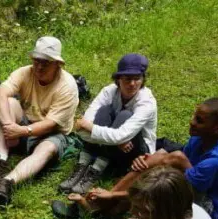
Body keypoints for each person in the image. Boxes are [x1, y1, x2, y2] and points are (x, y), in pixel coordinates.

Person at [54, 97, 218, 219]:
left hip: (208, 211)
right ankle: (105, 210)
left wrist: (116, 194)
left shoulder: (217, 161)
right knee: (160, 157)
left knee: (171, 161)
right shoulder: (200, 139)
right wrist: (148, 162)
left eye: (199, 120)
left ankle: (106, 209)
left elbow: (176, 192)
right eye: (194, 116)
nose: (192, 121)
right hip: (192, 187)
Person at [0, 36, 79, 206]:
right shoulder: (24, 72)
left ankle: (6, 182)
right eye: (37, 60)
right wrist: (9, 125)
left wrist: (21, 131)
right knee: (8, 103)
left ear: (58, 64)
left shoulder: (67, 86)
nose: (39, 66)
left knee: (48, 148)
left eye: (46, 62)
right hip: (25, 122)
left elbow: (51, 124)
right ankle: (1, 160)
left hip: (52, 132)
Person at [58, 53, 157, 195]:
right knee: (104, 111)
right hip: (117, 146)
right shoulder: (109, 91)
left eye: (137, 78)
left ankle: (96, 170)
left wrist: (92, 128)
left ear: (143, 79)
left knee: (124, 115)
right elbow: (81, 130)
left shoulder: (146, 102)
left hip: (136, 153)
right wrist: (115, 140)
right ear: (118, 79)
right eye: (127, 79)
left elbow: (88, 127)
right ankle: (83, 165)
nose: (132, 84)